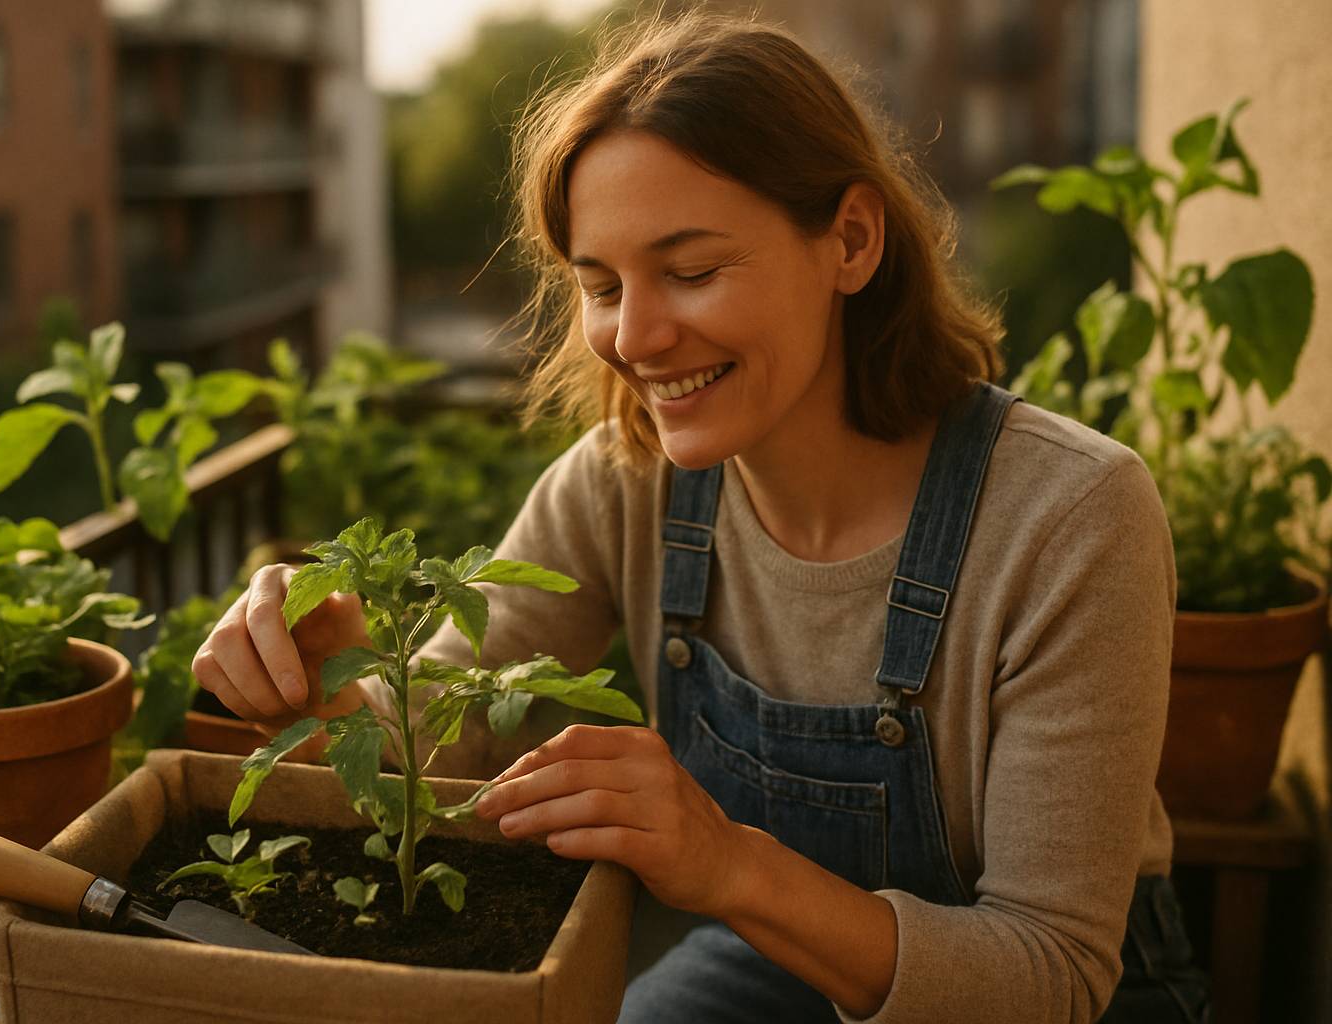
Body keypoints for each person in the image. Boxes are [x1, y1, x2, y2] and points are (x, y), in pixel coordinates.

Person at [191, 12, 1211, 1024]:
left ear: (851, 241)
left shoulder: (1070, 515)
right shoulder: (623, 481)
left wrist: (724, 863)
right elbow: (436, 749)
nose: (634, 337)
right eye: (601, 286)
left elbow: (1052, 973)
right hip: (775, 955)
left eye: (690, 271)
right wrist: (326, 681)